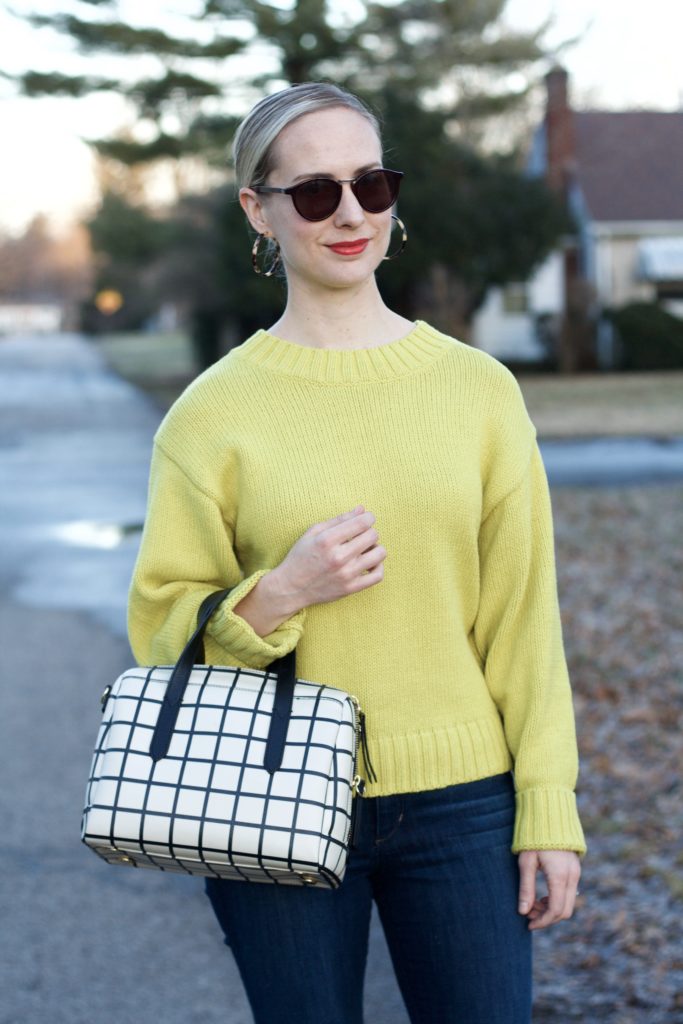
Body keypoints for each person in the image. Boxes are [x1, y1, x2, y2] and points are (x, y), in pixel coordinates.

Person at [127, 81, 586, 1024]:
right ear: (258, 209)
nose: (349, 214)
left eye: (371, 185)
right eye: (313, 193)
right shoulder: (210, 415)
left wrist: (548, 805)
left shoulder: (478, 392)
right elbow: (160, 628)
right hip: (265, 789)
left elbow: (522, 617)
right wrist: (280, 591)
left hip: (464, 803)